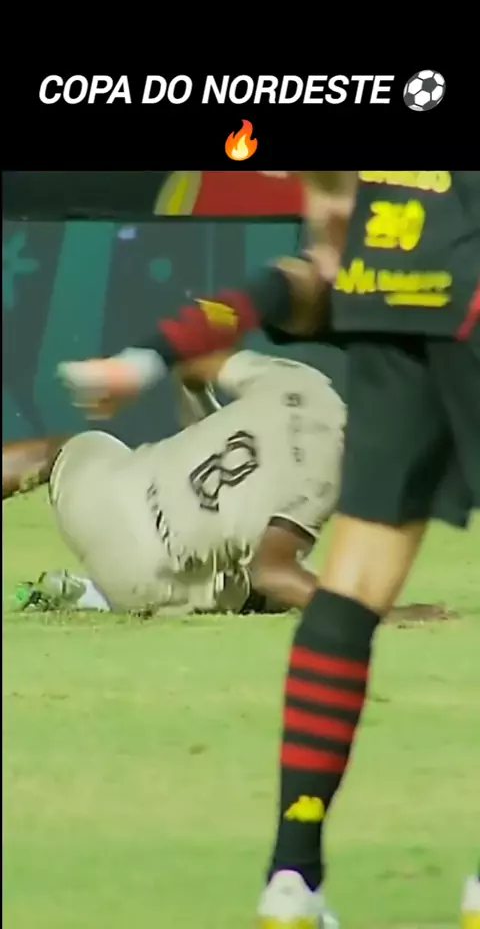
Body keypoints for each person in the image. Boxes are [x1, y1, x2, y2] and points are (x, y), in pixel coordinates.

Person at [56, 170, 480, 927]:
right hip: (450, 291)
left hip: (393, 311)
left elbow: (286, 283)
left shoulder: (346, 240)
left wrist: (145, 358)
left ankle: (293, 878)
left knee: (349, 597)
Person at [3, 350, 345, 618]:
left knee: (58, 452)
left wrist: (209, 426)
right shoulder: (320, 479)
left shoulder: (302, 383)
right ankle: (93, 596)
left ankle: (89, 594)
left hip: (104, 503)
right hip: (145, 582)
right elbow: (272, 572)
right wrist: (362, 615)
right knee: (270, 588)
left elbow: (193, 366)